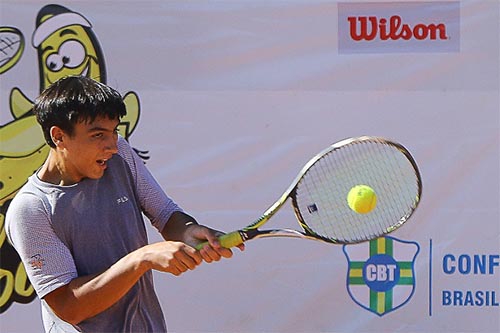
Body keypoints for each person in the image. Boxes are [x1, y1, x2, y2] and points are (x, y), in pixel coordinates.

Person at [5, 75, 243, 333]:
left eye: (114, 131)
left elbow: (164, 212)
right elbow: (68, 307)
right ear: (59, 136)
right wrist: (142, 258)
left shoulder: (121, 155)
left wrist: (189, 232)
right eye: (98, 135)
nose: (112, 146)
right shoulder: (30, 210)